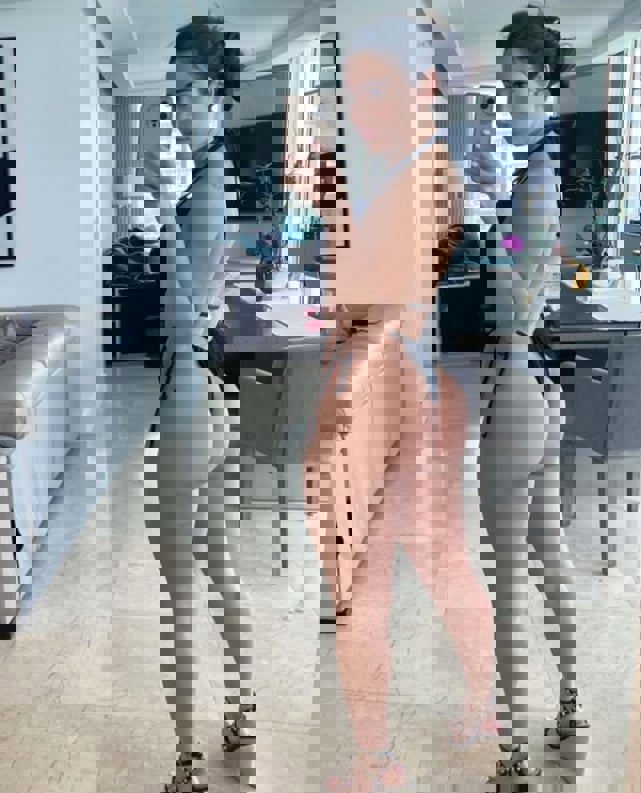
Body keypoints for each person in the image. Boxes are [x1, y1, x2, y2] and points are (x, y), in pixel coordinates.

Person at [302, 13, 496, 793]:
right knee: (413, 570)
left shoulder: (424, 179)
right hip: (389, 383)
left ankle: (386, 759)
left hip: (387, 388)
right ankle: (456, 720)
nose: (358, 107)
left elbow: (374, 298)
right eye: (352, 93)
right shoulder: (393, 174)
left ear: (424, 87)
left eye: (376, 89)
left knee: (382, 581)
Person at [138, 16, 256, 792]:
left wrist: (158, 219)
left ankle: (185, 765)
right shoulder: (220, 181)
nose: (177, 107)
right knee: (217, 568)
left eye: (187, 92)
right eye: (174, 93)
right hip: (213, 399)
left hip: (190, 399)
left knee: (180, 595)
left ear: (216, 94)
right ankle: (242, 711)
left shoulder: (207, 189)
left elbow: (188, 314)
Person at [476, 5, 590, 785]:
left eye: (520, 87)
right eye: (506, 87)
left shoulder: (535, 180)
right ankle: (571, 699)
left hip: (519, 379)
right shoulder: (541, 171)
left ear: (549, 88)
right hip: (541, 384)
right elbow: (534, 267)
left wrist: (491, 236)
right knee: (545, 549)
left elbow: (517, 300)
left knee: (508, 578)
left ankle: (513, 754)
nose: (510, 101)